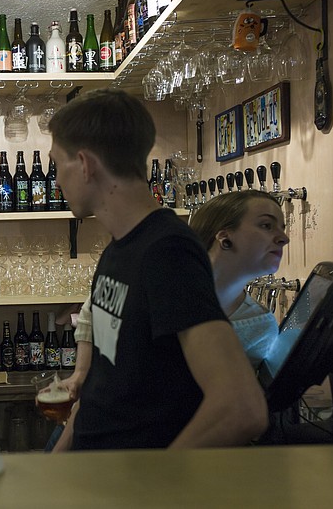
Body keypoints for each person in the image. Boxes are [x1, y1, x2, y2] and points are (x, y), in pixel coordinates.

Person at [47, 89, 268, 451]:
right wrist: (57, 461)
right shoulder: (118, 250)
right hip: (91, 473)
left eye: (58, 164)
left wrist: (156, 485)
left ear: (86, 165)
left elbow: (241, 408)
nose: (56, 180)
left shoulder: (168, 251)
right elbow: (105, 380)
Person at [189, 190, 290, 369]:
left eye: (282, 228)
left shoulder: (260, 327)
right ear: (224, 236)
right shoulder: (158, 292)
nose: (284, 238)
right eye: (267, 225)